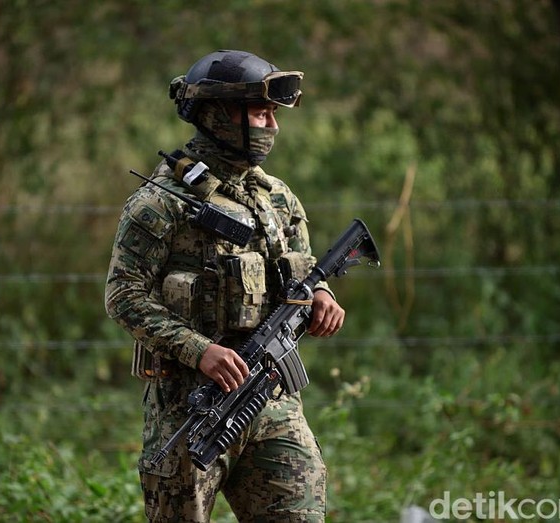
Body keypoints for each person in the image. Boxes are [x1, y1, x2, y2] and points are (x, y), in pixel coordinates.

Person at [105, 49, 345, 522]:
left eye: (274, 113)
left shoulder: (277, 197)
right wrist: (200, 350)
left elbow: (302, 269)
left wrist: (321, 296)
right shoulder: (160, 203)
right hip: (191, 408)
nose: (272, 125)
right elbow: (123, 296)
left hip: (273, 400)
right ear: (219, 115)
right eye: (261, 112)